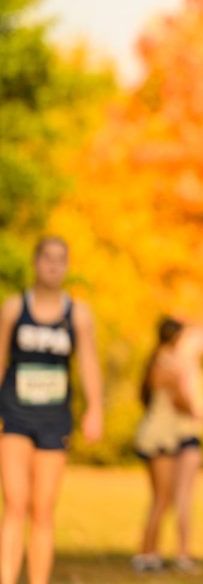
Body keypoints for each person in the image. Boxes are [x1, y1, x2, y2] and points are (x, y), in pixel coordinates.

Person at [0, 237, 103, 584]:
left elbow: (88, 363)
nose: (54, 266)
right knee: (15, 503)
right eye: (48, 258)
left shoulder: (78, 313)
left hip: (54, 419)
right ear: (35, 262)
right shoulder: (14, 308)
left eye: (61, 260)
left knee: (43, 510)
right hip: (15, 415)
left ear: (67, 265)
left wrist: (95, 409)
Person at [132, 316, 187, 572]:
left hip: (156, 431)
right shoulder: (168, 365)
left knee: (160, 498)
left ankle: (150, 551)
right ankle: (146, 554)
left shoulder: (155, 360)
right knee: (162, 498)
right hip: (160, 435)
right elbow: (182, 402)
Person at [172, 321, 203, 574]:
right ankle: (182, 552)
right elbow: (180, 396)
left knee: (180, 496)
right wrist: (196, 412)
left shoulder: (185, 361)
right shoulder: (184, 362)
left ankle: (182, 550)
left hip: (190, 434)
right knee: (183, 495)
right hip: (186, 435)